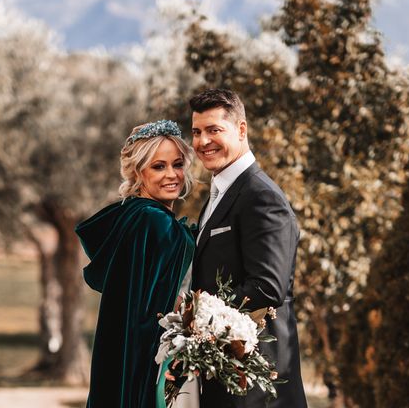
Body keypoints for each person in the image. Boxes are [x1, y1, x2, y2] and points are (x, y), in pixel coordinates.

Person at [189, 88, 308, 408]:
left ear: (241, 130)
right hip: (227, 373)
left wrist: (194, 321)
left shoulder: (261, 197)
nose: (202, 141)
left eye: (214, 130)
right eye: (197, 132)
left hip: (257, 383)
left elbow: (268, 286)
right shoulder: (219, 194)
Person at [76, 120, 196, 408]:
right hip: (146, 368)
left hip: (119, 361)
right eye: (159, 166)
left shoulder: (130, 216)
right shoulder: (155, 223)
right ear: (138, 172)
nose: (172, 175)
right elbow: (154, 312)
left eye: (177, 164)